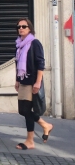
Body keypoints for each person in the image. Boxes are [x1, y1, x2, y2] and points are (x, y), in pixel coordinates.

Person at [14, 18, 54, 150]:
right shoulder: (19, 44)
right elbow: (18, 63)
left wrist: (38, 82)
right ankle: (45, 125)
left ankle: (30, 141)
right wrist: (17, 80)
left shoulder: (34, 43)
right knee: (23, 110)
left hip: (31, 82)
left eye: (24, 26)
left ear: (29, 28)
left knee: (26, 110)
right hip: (23, 80)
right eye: (19, 27)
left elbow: (40, 64)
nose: (20, 28)